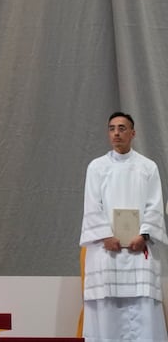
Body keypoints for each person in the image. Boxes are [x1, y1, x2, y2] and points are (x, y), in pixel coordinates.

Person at [81, 111, 167, 340]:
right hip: (107, 250)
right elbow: (92, 206)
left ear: (133, 133)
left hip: (139, 250)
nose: (116, 133)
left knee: (143, 309)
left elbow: (155, 204)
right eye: (112, 128)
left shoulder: (148, 167)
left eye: (122, 128)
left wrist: (145, 235)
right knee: (107, 310)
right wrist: (105, 236)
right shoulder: (97, 167)